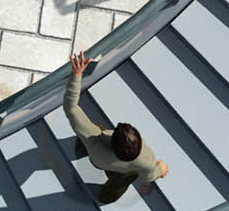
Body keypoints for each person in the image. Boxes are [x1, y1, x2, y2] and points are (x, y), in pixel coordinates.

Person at [61, 53, 170, 202]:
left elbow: (71, 107)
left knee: (90, 130)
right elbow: (148, 175)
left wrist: (77, 75)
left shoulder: (93, 139)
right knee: (118, 185)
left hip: (96, 158)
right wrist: (161, 170)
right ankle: (106, 198)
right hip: (121, 172)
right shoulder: (146, 159)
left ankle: (81, 149)